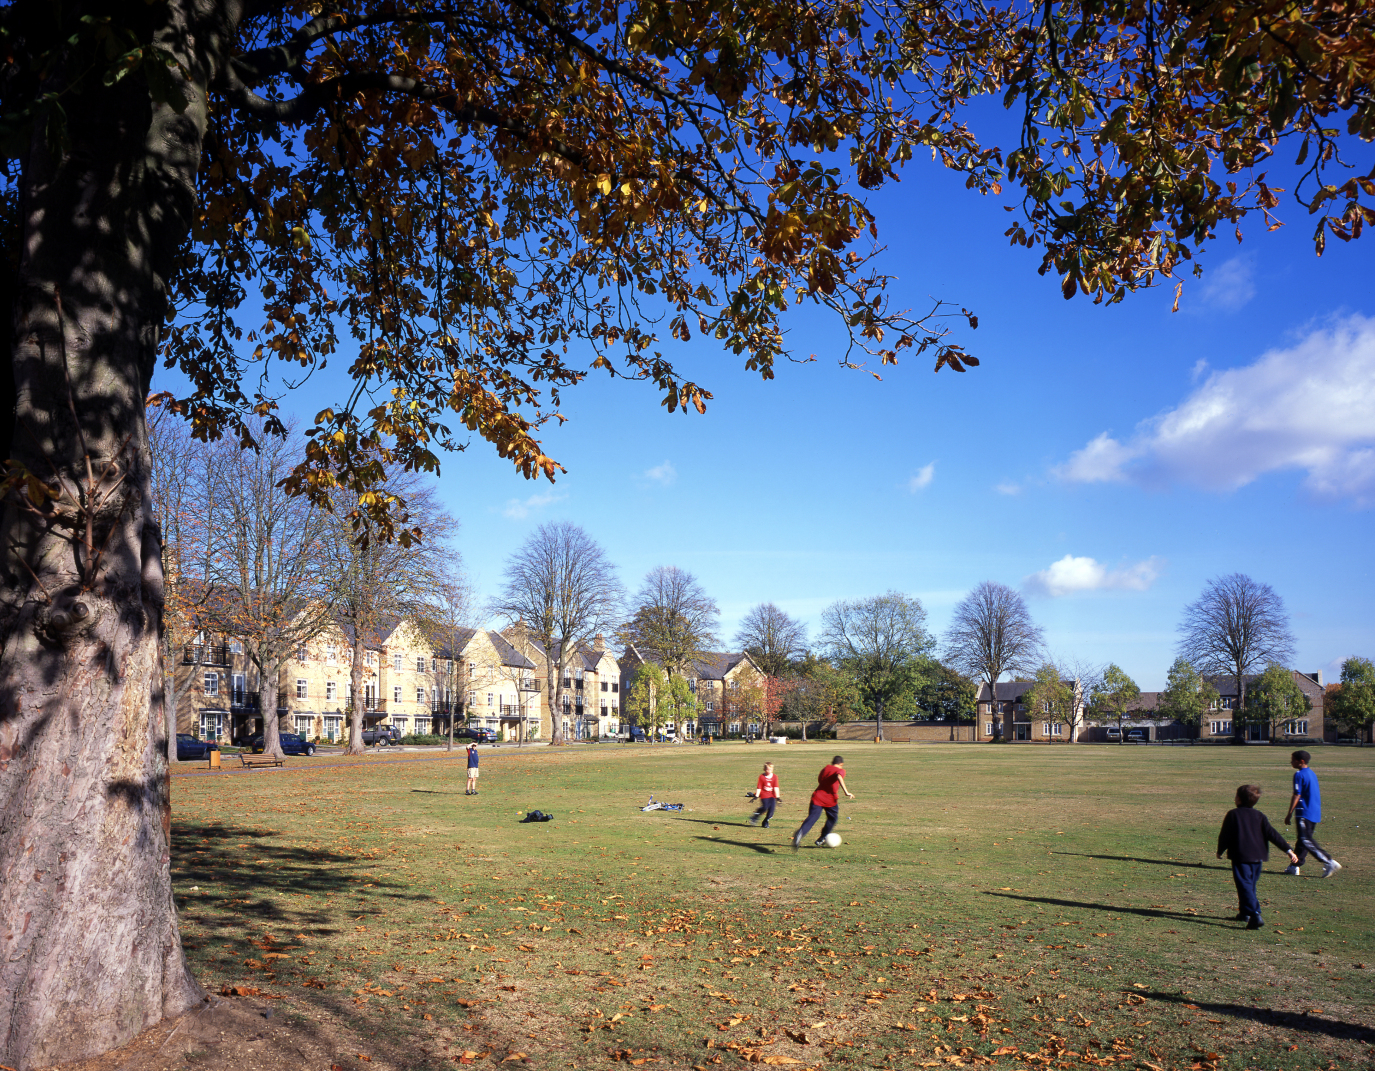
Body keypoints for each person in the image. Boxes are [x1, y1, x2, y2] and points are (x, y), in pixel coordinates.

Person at [1217, 783, 1299, 929]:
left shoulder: (1233, 814)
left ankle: (1255, 914)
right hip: (1258, 857)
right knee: (1249, 885)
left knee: (1244, 885)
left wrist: (1220, 850)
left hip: (1241, 856)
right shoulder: (1259, 816)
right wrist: (1288, 850)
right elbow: (1273, 834)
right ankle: (1244, 913)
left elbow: (1225, 835)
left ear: (1239, 799)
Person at [1284, 750, 1341, 877]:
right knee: (1302, 840)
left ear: (1301, 762)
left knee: (1305, 840)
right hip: (1314, 812)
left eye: (1293, 760)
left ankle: (1328, 861)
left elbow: (1297, 794)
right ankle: (1294, 866)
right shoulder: (1312, 773)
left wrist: (1289, 813)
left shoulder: (1299, 775)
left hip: (1304, 812)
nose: (1291, 762)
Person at [792, 755, 853, 851]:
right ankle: (822, 838)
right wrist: (846, 792)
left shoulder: (825, 768)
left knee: (812, 818)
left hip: (817, 797)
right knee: (832, 819)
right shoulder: (841, 770)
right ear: (841, 764)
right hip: (830, 800)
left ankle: (800, 833)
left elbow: (820, 779)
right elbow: (838, 776)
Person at [748, 762, 782, 827]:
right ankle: (755, 816)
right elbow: (759, 787)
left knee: (771, 810)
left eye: (770, 769)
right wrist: (756, 796)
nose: (769, 771)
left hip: (772, 796)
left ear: (772, 769)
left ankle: (765, 821)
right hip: (764, 795)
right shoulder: (762, 777)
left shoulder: (774, 777)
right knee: (765, 807)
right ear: (764, 769)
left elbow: (776, 787)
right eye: (767, 769)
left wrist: (778, 797)